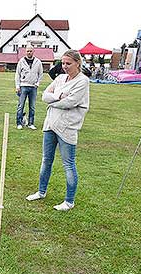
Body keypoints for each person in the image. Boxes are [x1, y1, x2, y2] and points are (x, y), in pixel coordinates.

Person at [26, 50, 90, 211]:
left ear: (77, 63)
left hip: (67, 127)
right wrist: (58, 97)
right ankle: (41, 192)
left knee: (68, 164)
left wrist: (55, 100)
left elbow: (70, 102)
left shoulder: (83, 81)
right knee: (46, 160)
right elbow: (44, 96)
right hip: (50, 124)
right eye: (63, 63)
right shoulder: (60, 78)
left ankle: (69, 201)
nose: (65, 66)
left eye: (68, 63)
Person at [15, 45, 43, 130]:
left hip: (33, 87)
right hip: (23, 86)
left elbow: (40, 74)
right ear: (25, 52)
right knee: (21, 106)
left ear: (33, 51)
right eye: (28, 51)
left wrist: (37, 83)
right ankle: (19, 123)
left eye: (30, 51)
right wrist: (17, 86)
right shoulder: (21, 61)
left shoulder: (38, 62)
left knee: (32, 106)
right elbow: (17, 74)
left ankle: (31, 123)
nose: (29, 52)